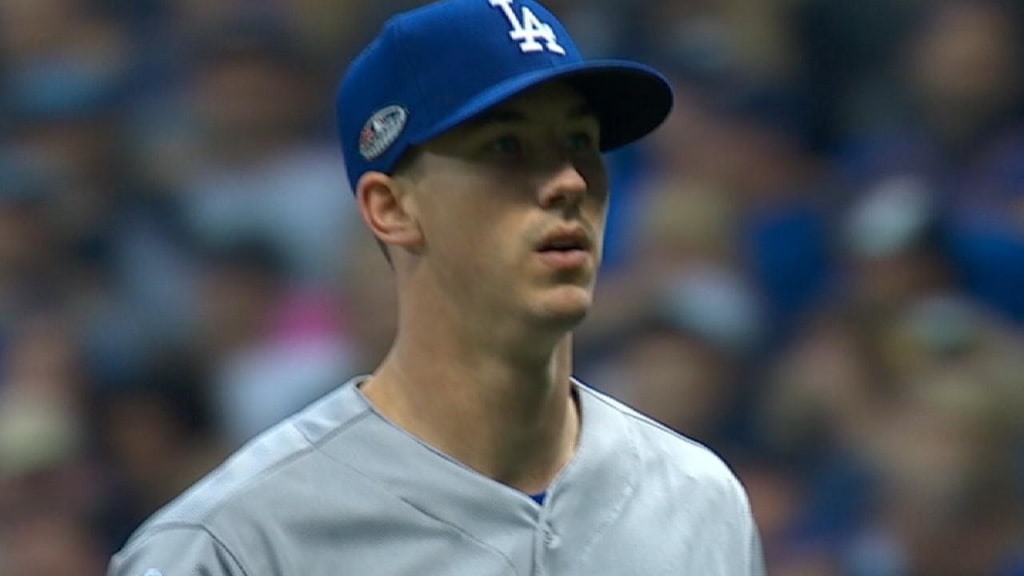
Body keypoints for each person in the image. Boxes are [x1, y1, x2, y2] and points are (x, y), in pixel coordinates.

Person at [108, 0, 765, 574]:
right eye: (507, 147)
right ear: (391, 209)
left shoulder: (700, 501)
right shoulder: (237, 543)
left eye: (579, 141)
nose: (567, 181)